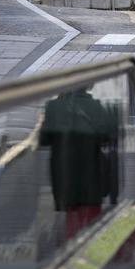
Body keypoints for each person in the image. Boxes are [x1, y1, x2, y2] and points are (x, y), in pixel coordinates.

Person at [40, 88, 119, 240]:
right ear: (88, 86)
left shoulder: (54, 107)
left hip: (65, 177)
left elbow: (44, 139)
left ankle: (72, 252)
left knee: (71, 221)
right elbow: (106, 137)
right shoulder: (95, 107)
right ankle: (87, 255)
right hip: (91, 177)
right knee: (91, 222)